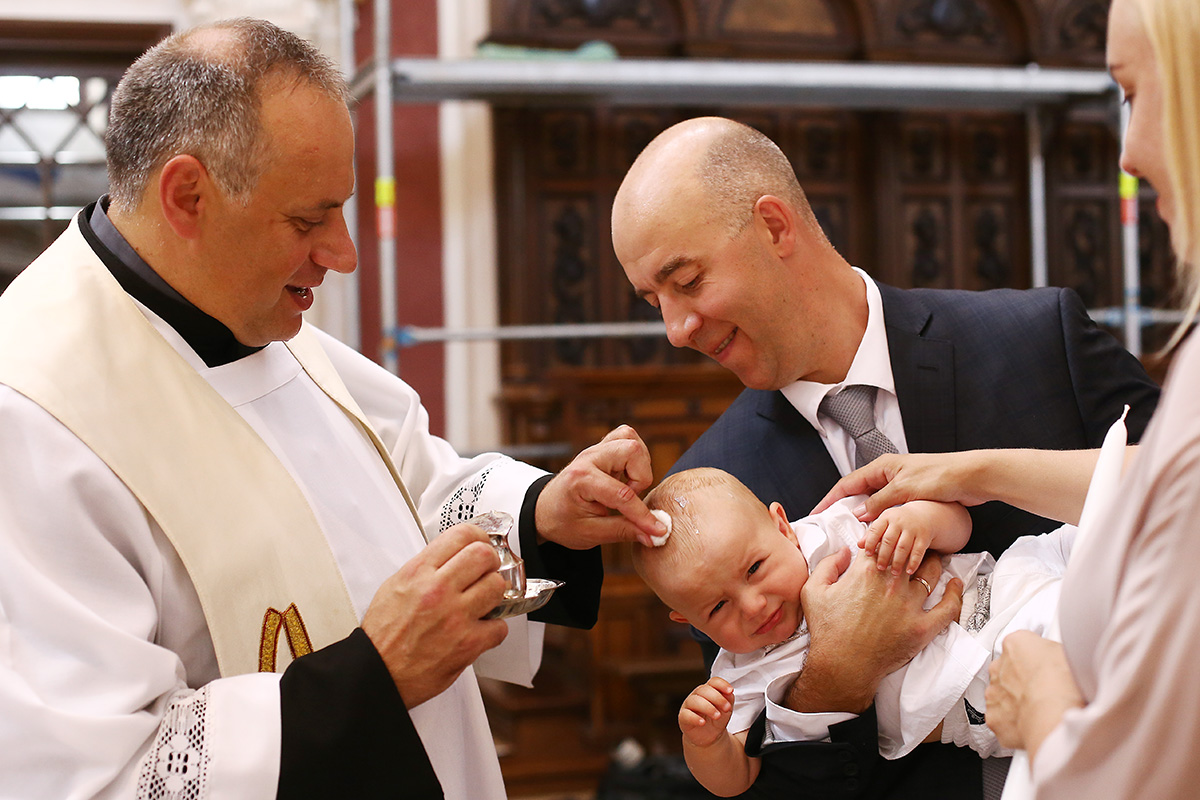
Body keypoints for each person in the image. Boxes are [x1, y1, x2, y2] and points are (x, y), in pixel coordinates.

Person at [0, 19, 669, 800]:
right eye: (308, 219)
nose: (343, 253)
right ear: (187, 196)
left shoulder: (250, 319)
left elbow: (403, 499)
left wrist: (540, 515)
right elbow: (94, 772)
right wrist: (371, 678)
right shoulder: (35, 413)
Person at [611, 115, 1161, 796]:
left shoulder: (1038, 336)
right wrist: (835, 678)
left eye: (688, 282)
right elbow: (771, 785)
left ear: (775, 228)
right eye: (654, 302)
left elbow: (1184, 497)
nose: (674, 330)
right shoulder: (712, 495)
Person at [818, 1, 1200, 795]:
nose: (1128, 152)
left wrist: (1044, 707)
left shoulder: (1037, 327)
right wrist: (975, 472)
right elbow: (1170, 484)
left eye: (1134, 94)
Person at [633, 468, 1072, 796]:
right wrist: (706, 744)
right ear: (688, 622)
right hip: (981, 691)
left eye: (755, 568)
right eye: (718, 607)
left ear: (783, 527)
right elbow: (738, 779)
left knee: (1094, 557)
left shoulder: (835, 530)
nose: (753, 606)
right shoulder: (739, 677)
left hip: (1002, 590)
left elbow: (958, 527)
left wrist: (920, 521)